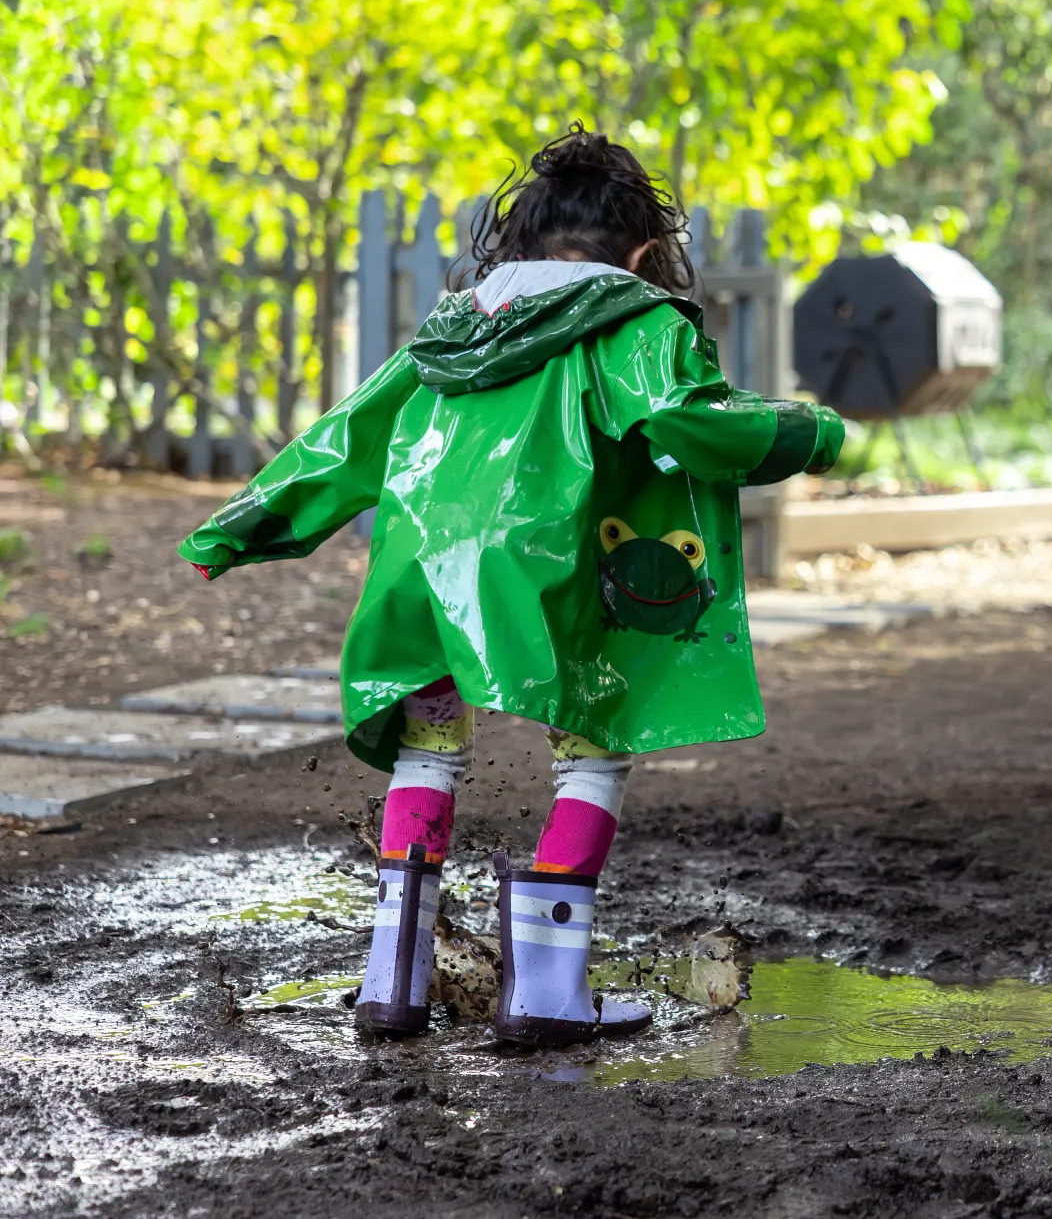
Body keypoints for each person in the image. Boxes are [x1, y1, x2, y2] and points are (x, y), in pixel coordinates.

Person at [179, 129, 843, 1047]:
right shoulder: (634, 323)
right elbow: (692, 426)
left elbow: (345, 438)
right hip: (550, 571)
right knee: (597, 741)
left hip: (421, 570)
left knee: (427, 751)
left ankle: (390, 984)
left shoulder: (453, 331)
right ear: (644, 254)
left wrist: (235, 527)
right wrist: (812, 433)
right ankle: (547, 994)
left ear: (521, 249)